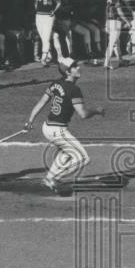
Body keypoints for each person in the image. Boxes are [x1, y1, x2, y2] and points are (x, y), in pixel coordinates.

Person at [24, 58, 104, 194]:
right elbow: (83, 114)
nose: (78, 68)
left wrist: (30, 120)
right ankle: (53, 179)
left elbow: (41, 102)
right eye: (75, 67)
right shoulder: (74, 90)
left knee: (66, 152)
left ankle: (50, 177)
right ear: (68, 71)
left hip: (47, 127)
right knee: (83, 158)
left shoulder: (55, 84)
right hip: (57, 130)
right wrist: (96, 110)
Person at [33, 0, 61, 65]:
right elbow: (35, 5)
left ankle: (43, 58)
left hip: (48, 16)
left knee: (45, 39)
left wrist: (54, 11)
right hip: (39, 17)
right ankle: (54, 56)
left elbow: (58, 2)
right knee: (50, 36)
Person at [103, 0, 131, 70]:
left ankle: (121, 60)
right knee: (112, 43)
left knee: (116, 42)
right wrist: (127, 21)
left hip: (109, 22)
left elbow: (106, 11)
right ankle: (106, 63)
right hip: (114, 22)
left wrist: (106, 23)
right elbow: (119, 11)